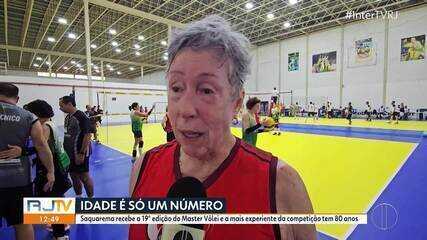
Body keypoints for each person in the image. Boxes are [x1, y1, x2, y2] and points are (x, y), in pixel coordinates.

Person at [129, 15, 315, 240]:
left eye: (206, 90)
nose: (186, 109)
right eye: (176, 88)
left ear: (236, 102)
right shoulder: (144, 167)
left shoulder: (280, 185)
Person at [0, 83, 54, 240]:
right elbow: (42, 147)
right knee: (23, 223)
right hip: (19, 179)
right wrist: (51, 172)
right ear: (17, 98)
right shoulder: (29, 117)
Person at [24, 100, 72, 240]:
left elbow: (41, 147)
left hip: (51, 165)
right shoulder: (50, 124)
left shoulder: (44, 127)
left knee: (51, 195)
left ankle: (60, 231)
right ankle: (59, 225)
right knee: (55, 195)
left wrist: (21, 151)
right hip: (58, 162)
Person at [59, 96, 94, 198]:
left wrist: (81, 153)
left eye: (62, 106)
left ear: (69, 104)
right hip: (69, 153)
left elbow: (88, 135)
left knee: (84, 177)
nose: (60, 108)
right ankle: (79, 196)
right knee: (73, 176)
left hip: (79, 153)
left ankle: (91, 200)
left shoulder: (81, 117)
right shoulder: (67, 117)